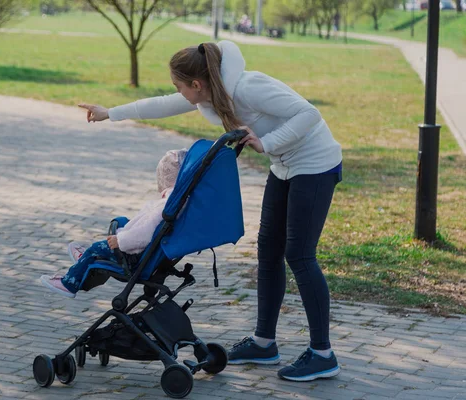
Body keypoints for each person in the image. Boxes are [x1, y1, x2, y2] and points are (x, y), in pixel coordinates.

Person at [78, 40, 342, 382]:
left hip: (316, 164)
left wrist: (268, 143)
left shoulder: (249, 86)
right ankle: (264, 343)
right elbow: (161, 105)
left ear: (197, 84)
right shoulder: (209, 96)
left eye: (180, 86)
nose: (178, 93)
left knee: (300, 255)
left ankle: (323, 353)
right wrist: (110, 112)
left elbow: (309, 113)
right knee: (269, 250)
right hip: (285, 167)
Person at [40, 149, 187, 298]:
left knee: (96, 248)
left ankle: (70, 283)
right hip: (143, 249)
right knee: (121, 221)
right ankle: (87, 259)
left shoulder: (166, 207)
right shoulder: (178, 202)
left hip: (132, 255)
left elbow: (145, 234)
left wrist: (121, 241)